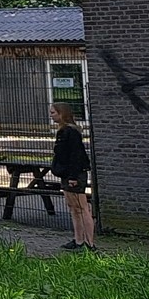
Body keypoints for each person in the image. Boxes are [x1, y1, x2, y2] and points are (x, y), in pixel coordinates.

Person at [51, 103, 96, 252]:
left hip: (74, 174)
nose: (51, 115)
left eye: (53, 112)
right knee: (73, 207)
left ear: (62, 113)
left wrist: (73, 176)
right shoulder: (64, 131)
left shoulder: (70, 132)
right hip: (67, 173)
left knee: (82, 208)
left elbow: (76, 155)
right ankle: (78, 240)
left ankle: (89, 243)